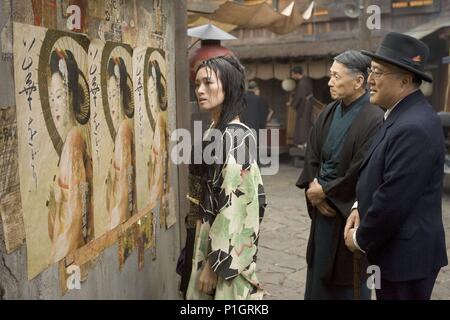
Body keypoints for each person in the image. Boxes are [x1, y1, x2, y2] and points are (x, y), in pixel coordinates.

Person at [344, 32, 448, 300]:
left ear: (404, 80)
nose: (369, 80)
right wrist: (359, 206)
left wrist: (359, 238)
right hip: (393, 250)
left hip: (406, 258)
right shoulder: (397, 114)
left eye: (378, 72)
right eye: (371, 70)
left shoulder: (415, 126)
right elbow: (377, 171)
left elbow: (394, 198)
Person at [296, 50, 384, 299]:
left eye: (336, 76)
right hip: (322, 209)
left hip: (348, 213)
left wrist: (327, 192)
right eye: (330, 75)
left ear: (358, 82)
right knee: (317, 277)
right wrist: (314, 189)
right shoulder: (328, 111)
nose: (330, 82)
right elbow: (312, 153)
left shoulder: (374, 117)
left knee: (348, 281)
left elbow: (364, 166)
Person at [184, 55, 267, 300]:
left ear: (229, 87)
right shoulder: (215, 130)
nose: (200, 90)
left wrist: (214, 264)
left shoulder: (236, 138)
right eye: (197, 83)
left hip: (221, 256)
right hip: (204, 236)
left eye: (208, 83)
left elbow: (238, 207)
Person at [47, 48, 94, 264]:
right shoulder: (72, 141)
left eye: (60, 96)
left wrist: (55, 257)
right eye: (51, 97)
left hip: (70, 249)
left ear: (72, 96)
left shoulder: (74, 141)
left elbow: (75, 217)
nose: (55, 105)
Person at [105, 56, 135, 230]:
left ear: (123, 93)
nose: (112, 100)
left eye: (115, 93)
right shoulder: (119, 130)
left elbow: (122, 188)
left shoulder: (124, 130)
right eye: (109, 95)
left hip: (120, 210)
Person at [288, 66, 314, 148]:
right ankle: (305, 143)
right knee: (305, 123)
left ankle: (303, 143)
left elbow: (300, 96)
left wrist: (292, 104)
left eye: (292, 74)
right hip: (307, 103)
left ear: (297, 73)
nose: (292, 76)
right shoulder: (305, 80)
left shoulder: (302, 83)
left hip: (304, 105)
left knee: (302, 123)